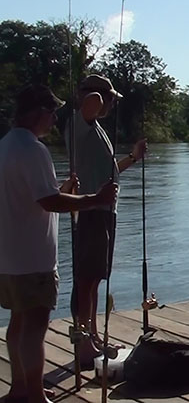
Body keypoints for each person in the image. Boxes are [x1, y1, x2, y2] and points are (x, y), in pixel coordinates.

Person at [0, 85, 117, 403]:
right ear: (37, 112)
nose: (54, 119)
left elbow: (35, 197)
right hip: (33, 258)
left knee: (18, 324)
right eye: (51, 113)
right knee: (36, 326)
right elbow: (50, 202)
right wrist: (95, 199)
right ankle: (35, 395)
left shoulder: (6, 147)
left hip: (8, 259)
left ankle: (20, 388)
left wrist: (65, 188)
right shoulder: (33, 150)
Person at [65, 74, 147, 363]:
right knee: (85, 279)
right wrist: (101, 92)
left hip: (104, 213)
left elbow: (110, 173)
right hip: (88, 211)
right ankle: (83, 340)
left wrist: (133, 157)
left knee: (96, 279)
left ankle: (93, 335)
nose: (111, 103)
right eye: (110, 98)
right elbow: (91, 101)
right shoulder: (80, 124)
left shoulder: (96, 130)